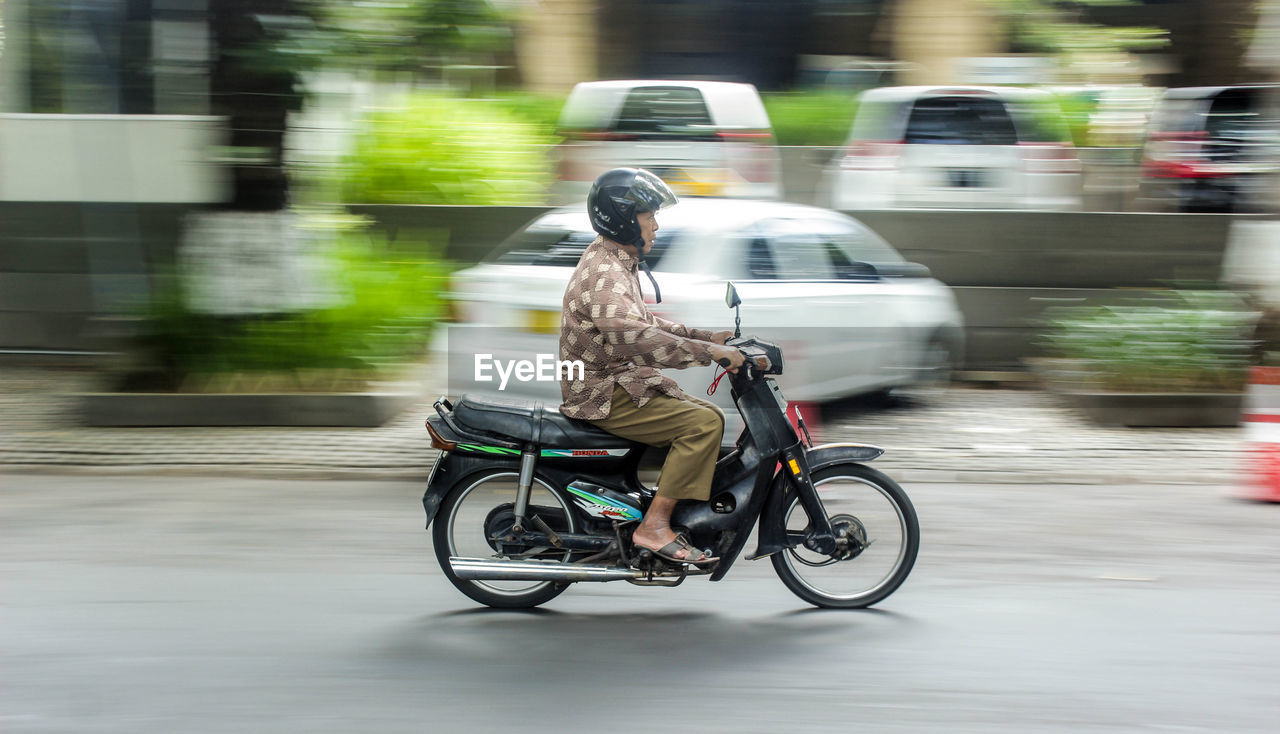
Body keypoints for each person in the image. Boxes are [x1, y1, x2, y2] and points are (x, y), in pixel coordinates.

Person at [558, 168, 746, 566]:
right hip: (601, 393)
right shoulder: (606, 271)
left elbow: (645, 323)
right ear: (624, 219)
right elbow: (630, 336)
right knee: (703, 425)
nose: (656, 226)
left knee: (709, 414)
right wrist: (706, 353)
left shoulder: (615, 261)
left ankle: (669, 510)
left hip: (617, 383)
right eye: (649, 216)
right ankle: (654, 527)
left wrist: (705, 337)